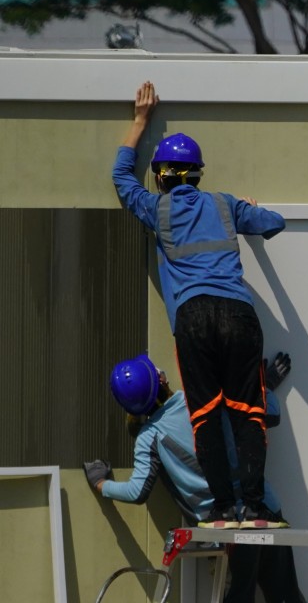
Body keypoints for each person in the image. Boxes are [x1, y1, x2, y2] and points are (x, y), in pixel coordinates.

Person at [112, 81, 286, 529]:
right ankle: (258, 508)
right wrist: (251, 209)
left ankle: (225, 509)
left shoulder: (156, 209)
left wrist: (139, 122)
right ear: (197, 174)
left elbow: (119, 178)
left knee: (205, 414)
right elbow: (275, 223)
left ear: (163, 176)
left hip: (194, 319)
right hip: (239, 315)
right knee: (248, 413)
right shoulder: (225, 206)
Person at [83, 353, 305, 602]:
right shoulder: (202, 398)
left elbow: (137, 492)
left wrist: (101, 483)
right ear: (162, 380)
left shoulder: (149, 437)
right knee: (286, 596)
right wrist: (261, 386)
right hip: (265, 512)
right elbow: (269, 414)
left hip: (225, 530)